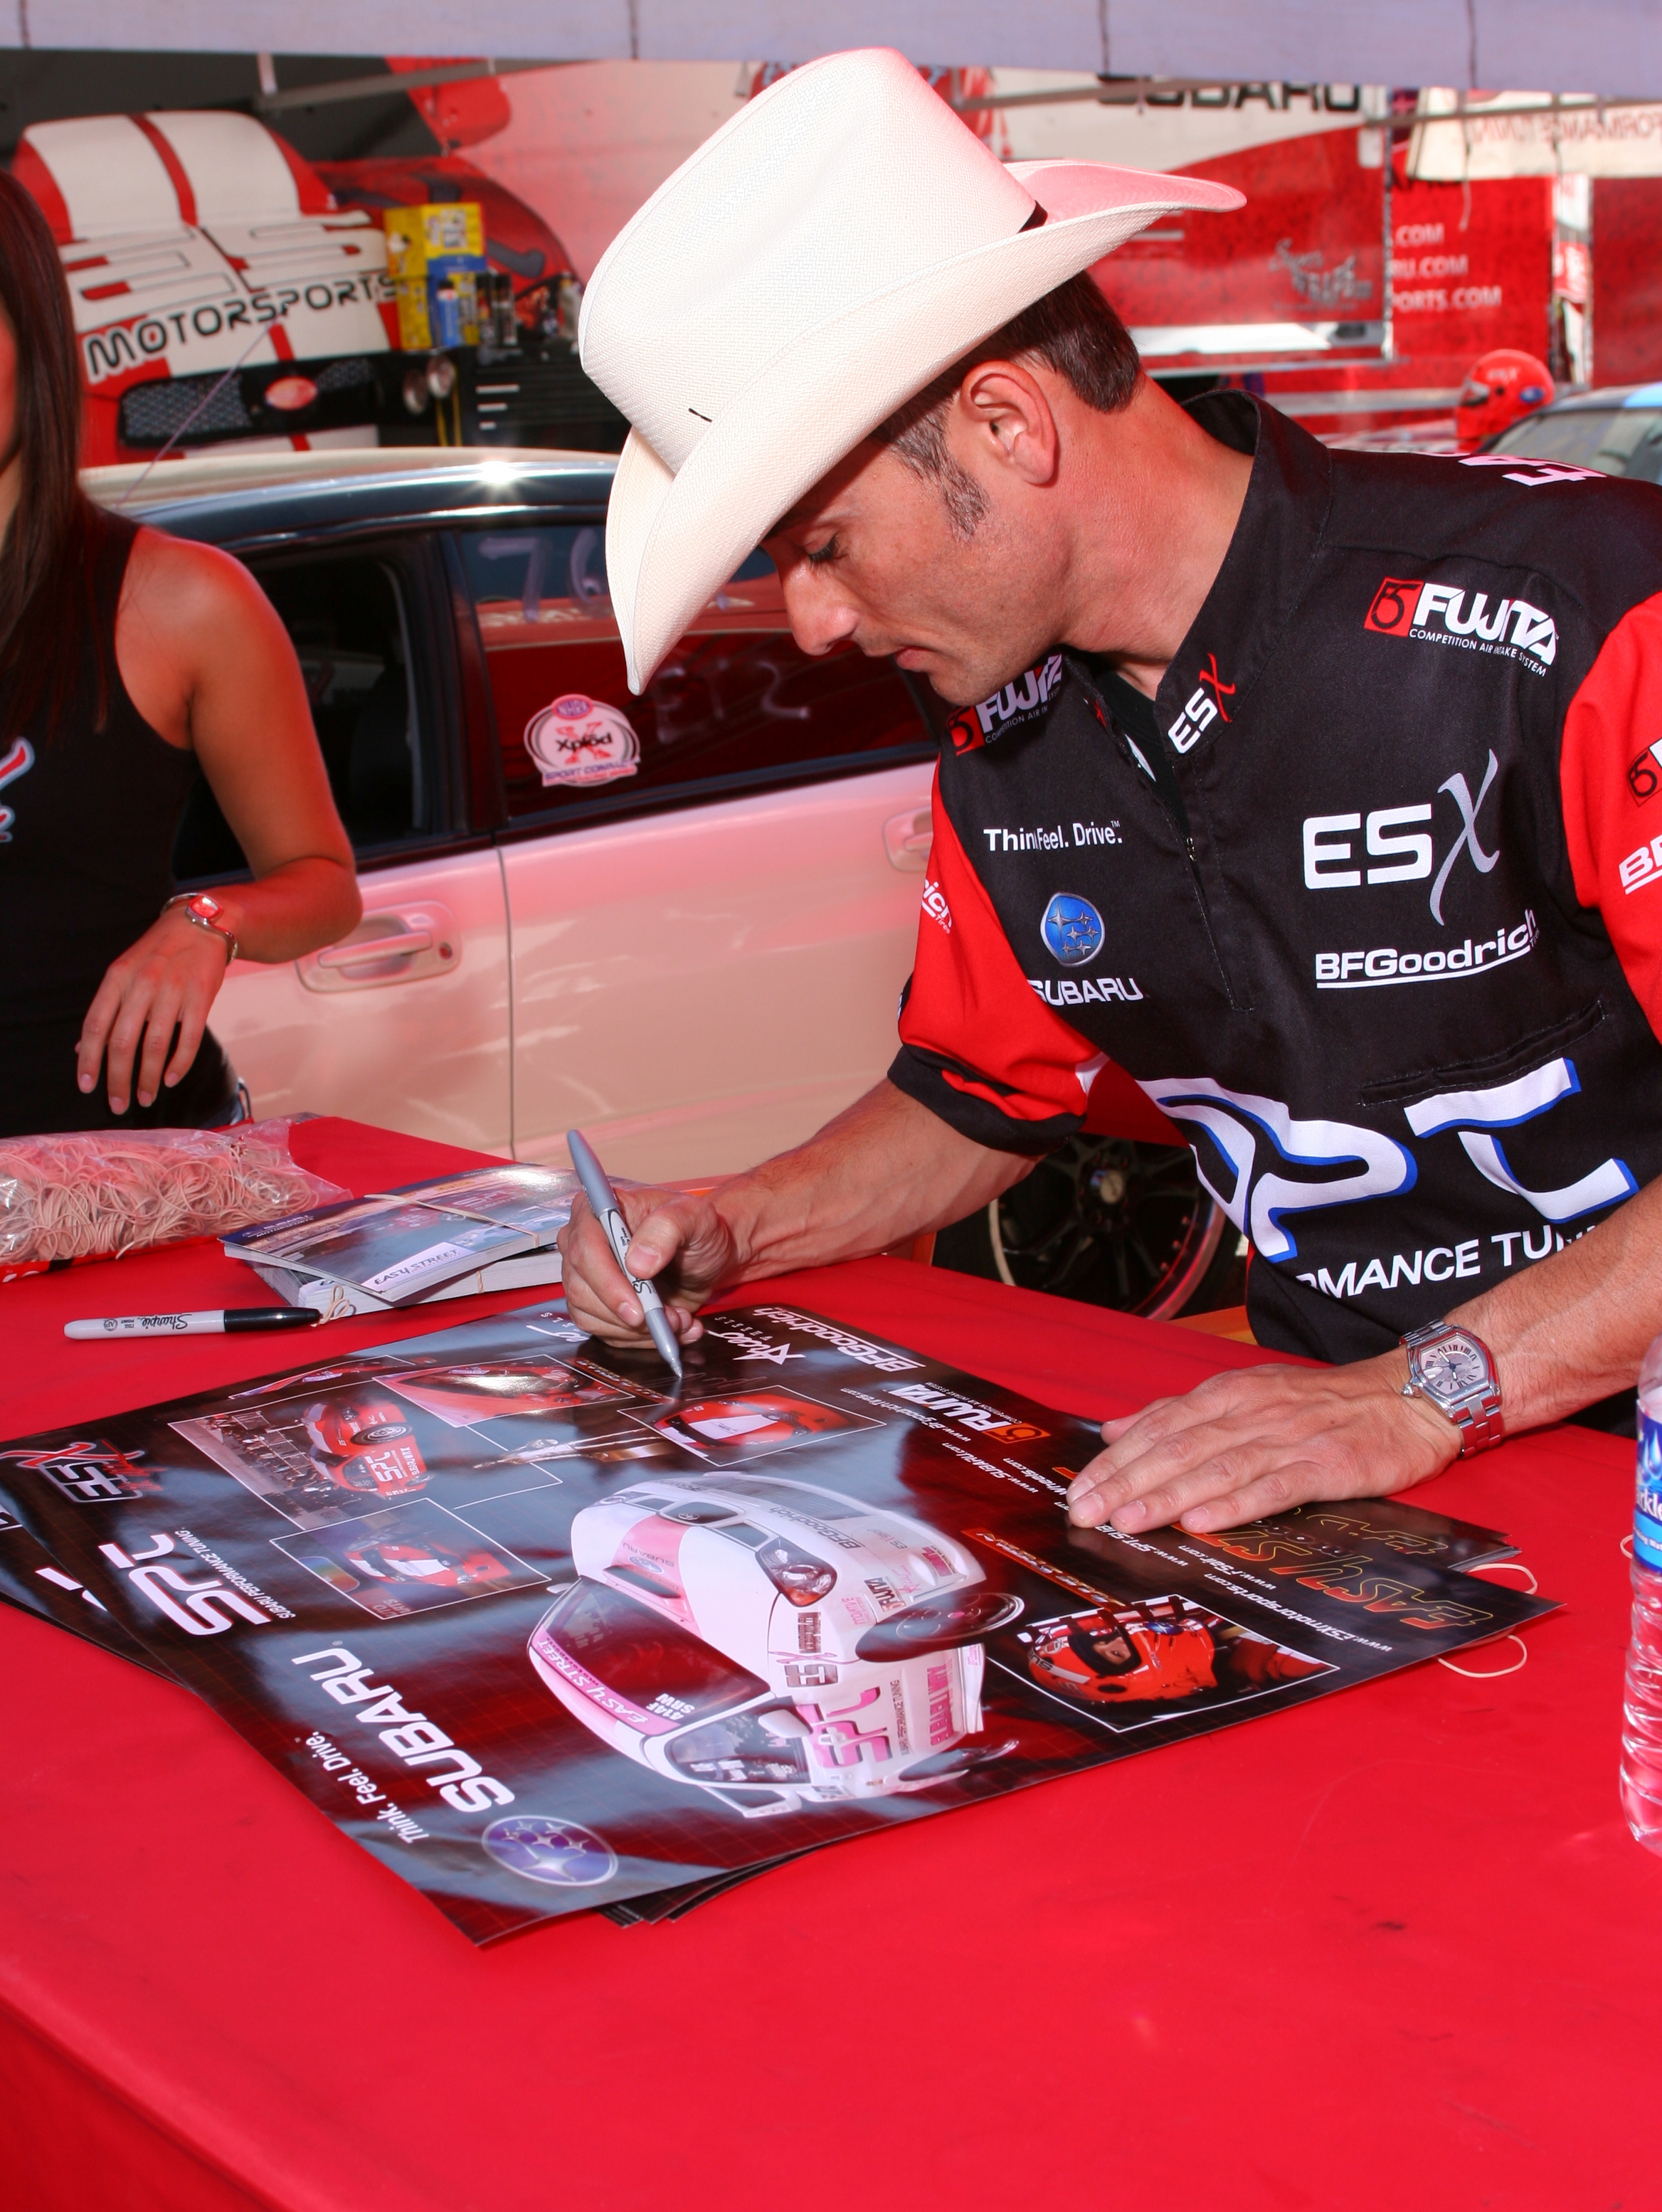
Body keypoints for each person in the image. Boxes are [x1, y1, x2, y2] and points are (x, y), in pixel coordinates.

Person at [560, 49, 1662, 1538]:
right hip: (1336, 1475)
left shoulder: (1583, 611)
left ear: (1009, 427)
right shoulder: (995, 721)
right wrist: (736, 1222)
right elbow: (971, 1103)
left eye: (821, 545)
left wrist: (1426, 1389)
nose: (812, 622)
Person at [0, 171, 361, 1136]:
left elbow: (322, 879)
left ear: (27, 337)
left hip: (130, 1193)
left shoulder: (182, 600)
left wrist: (205, 920)